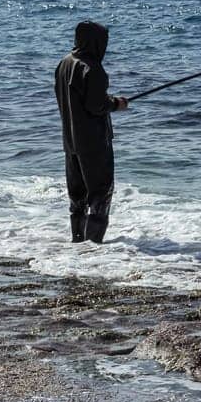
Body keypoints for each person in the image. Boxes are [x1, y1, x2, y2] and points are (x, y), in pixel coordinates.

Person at [54, 21, 128, 244]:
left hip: (71, 143)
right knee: (100, 195)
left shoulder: (64, 64)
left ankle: (78, 243)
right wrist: (117, 104)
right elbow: (97, 105)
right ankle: (94, 247)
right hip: (94, 144)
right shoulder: (92, 68)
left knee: (77, 197)